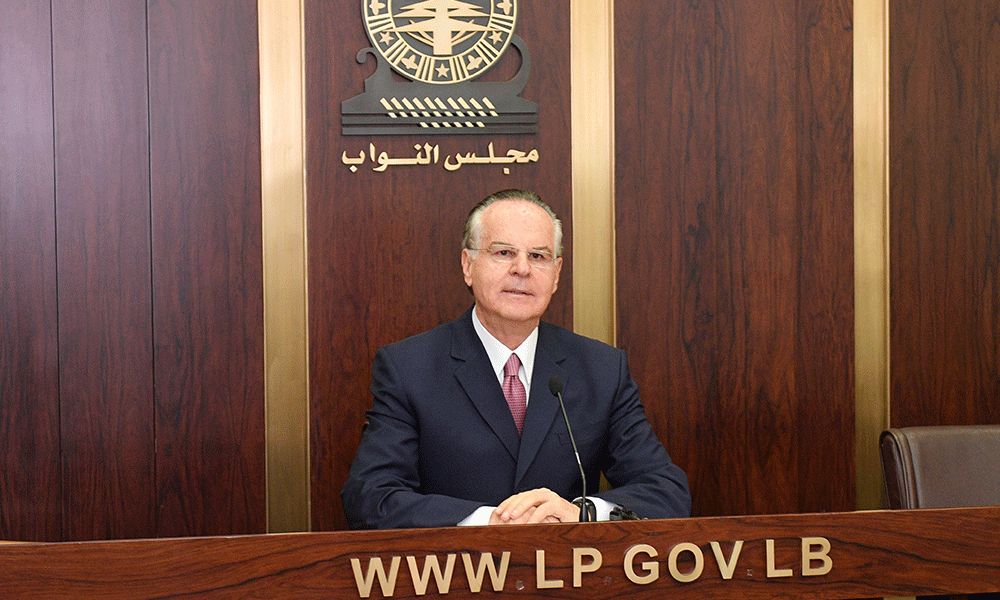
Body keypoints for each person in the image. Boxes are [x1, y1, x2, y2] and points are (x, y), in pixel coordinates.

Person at [342, 189, 690, 529]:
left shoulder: (601, 369)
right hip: (457, 565)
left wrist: (580, 513)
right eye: (504, 252)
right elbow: (371, 497)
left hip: (566, 565)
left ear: (556, 274)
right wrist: (489, 520)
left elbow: (666, 491)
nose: (522, 269)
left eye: (538, 256)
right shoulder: (409, 368)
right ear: (468, 265)